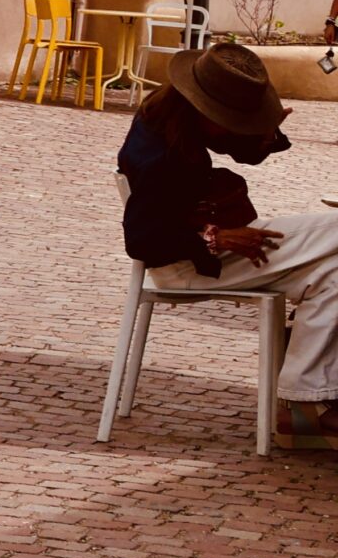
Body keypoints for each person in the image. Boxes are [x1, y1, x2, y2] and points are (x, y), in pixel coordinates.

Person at [118, 41, 338, 447]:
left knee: (334, 275)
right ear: (204, 109)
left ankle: (305, 407)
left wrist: (265, 133)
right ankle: (305, 401)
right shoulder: (166, 157)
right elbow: (141, 237)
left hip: (209, 253)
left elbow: (231, 145)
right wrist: (216, 236)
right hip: (188, 266)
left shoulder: (169, 117)